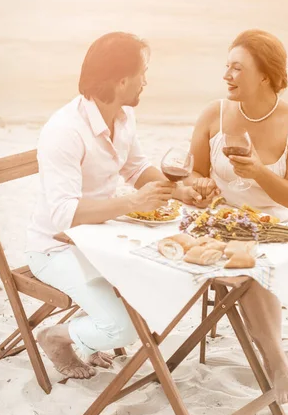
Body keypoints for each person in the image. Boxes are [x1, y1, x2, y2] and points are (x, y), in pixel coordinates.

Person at [26, 32, 203, 380]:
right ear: (123, 80)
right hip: (56, 249)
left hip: (99, 239)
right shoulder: (65, 131)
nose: (146, 81)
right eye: (144, 73)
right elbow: (63, 215)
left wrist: (179, 191)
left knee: (163, 286)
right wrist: (133, 202)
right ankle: (55, 335)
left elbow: (136, 168)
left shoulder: (122, 117)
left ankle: (89, 332)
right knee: (123, 330)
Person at [189, 29, 288, 405]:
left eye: (236, 68)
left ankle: (275, 361)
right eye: (226, 67)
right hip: (220, 221)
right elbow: (194, 172)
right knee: (237, 259)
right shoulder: (213, 113)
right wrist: (204, 188)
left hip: (276, 225)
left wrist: (259, 172)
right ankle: (276, 360)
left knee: (253, 264)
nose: (226, 75)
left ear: (264, 74)